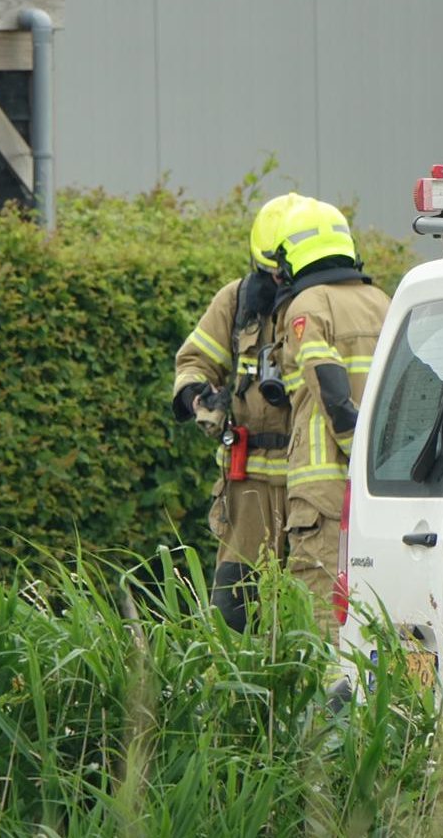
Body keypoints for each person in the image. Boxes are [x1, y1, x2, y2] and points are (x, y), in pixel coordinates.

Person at [172, 193, 304, 633]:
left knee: (308, 608)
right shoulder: (238, 301)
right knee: (234, 612)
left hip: (310, 480)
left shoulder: (320, 305)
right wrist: (199, 397)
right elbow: (194, 359)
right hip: (247, 488)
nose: (280, 277)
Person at [264, 197, 390, 641]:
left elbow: (327, 381)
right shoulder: (381, 301)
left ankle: (329, 709)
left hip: (324, 495)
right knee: (378, 613)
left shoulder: (308, 305)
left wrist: (357, 450)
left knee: (323, 623)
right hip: (386, 491)